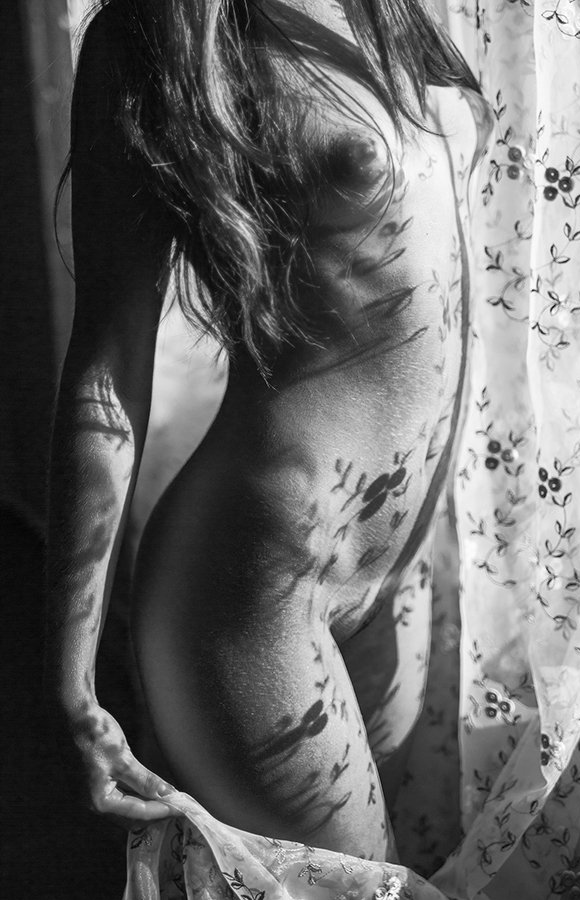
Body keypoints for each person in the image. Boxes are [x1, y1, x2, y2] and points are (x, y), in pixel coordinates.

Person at [46, 0, 491, 882]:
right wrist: (69, 682)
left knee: (421, 868)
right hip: (259, 592)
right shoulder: (153, 38)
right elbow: (109, 365)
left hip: (396, 572)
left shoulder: (384, 9)